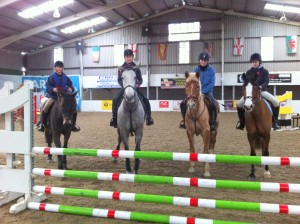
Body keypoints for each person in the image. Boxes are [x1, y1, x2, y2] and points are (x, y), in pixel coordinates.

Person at [110, 49, 154, 128]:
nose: (129, 58)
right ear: (125, 58)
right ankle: (114, 119)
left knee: (145, 99)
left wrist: (137, 85)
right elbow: (119, 80)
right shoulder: (121, 68)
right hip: (125, 88)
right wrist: (124, 86)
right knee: (115, 99)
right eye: (127, 57)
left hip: (135, 88)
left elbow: (140, 79)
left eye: (130, 56)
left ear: (132, 57)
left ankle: (149, 117)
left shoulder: (136, 68)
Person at [236, 53, 280, 130]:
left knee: (276, 102)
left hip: (262, 91)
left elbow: (266, 81)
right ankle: (242, 122)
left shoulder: (265, 71)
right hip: (251, 93)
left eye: (256, 62)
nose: (254, 63)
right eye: (253, 62)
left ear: (259, 62)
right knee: (239, 104)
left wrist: (261, 87)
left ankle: (275, 122)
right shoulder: (249, 72)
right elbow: (247, 83)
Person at [37, 61, 80, 132]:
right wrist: (53, 89)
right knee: (46, 105)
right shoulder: (51, 77)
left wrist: (70, 89)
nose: (59, 68)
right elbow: (47, 87)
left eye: (61, 67)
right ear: (55, 68)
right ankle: (42, 124)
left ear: (62, 68)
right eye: (58, 67)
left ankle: (73, 124)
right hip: (54, 97)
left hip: (64, 97)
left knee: (74, 105)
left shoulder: (66, 77)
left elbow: (71, 85)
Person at [179, 52, 217, 130]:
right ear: (199, 60)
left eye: (205, 60)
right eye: (201, 60)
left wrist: (203, 91)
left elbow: (212, 83)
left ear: (207, 61)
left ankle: (212, 122)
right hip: (195, 93)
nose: (203, 61)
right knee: (183, 104)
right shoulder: (195, 70)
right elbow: (191, 83)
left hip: (207, 92)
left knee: (213, 104)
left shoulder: (211, 70)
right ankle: (184, 121)